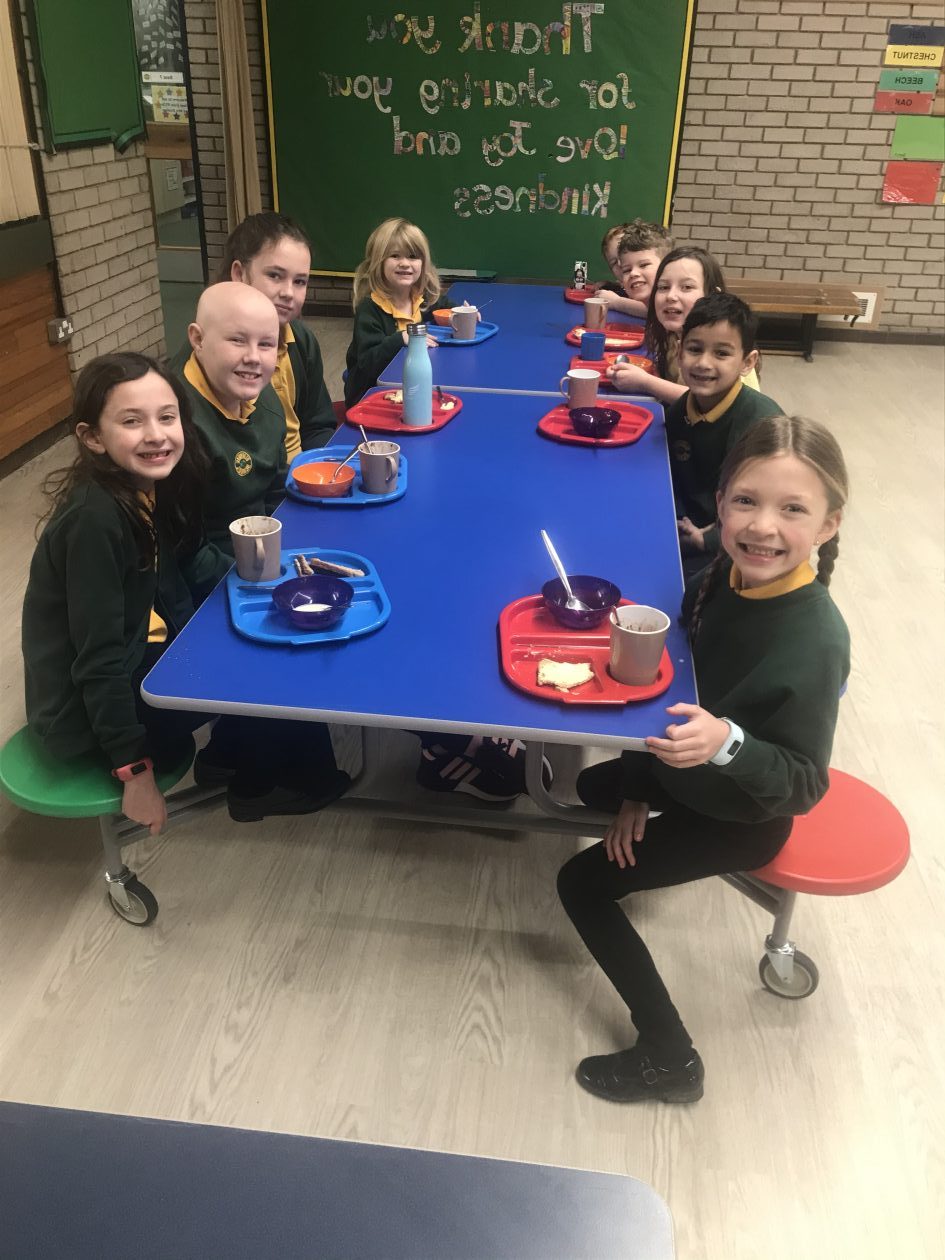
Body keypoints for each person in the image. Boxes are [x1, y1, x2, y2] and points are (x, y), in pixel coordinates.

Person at [557, 415, 850, 1104]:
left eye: (793, 509)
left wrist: (726, 743)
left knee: (579, 884)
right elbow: (668, 696)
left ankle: (670, 1058)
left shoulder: (815, 640)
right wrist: (637, 788)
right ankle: (643, 802)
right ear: (720, 504)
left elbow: (803, 784)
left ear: (828, 525)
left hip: (741, 816)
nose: (762, 526)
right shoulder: (719, 578)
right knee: (592, 786)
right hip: (684, 773)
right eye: (746, 501)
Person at [21, 353, 348, 832]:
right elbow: (98, 662)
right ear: (92, 437)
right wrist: (134, 771)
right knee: (269, 664)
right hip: (83, 718)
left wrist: (267, 586)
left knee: (262, 633)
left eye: (166, 417)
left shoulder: (159, 484)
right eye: (131, 421)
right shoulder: (94, 522)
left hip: (139, 658)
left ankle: (230, 754)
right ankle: (270, 785)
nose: (155, 434)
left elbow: (192, 559)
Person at [667, 293, 784, 576]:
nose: (704, 363)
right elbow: (672, 475)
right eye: (695, 349)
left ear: (747, 362)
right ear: (680, 352)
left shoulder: (761, 424)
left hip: (739, 545)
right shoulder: (681, 409)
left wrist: (709, 538)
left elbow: (769, 506)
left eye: (721, 353)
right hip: (688, 526)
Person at [176, 282, 287, 556]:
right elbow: (184, 549)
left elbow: (277, 489)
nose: (253, 358)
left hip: (262, 550)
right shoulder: (175, 422)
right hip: (214, 565)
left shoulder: (263, 395)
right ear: (198, 339)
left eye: (266, 344)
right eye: (237, 340)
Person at [219, 211, 337, 458]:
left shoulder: (301, 341)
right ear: (239, 274)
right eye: (275, 275)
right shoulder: (213, 355)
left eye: (300, 281)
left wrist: (321, 468)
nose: (288, 293)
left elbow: (318, 425)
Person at [609, 247, 726, 405]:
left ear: (713, 296)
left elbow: (707, 400)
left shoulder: (724, 346)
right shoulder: (672, 336)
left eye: (687, 287)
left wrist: (644, 382)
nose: (671, 296)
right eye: (664, 287)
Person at [344, 217, 440, 408]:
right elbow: (367, 364)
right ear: (378, 261)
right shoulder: (370, 309)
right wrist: (400, 339)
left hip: (410, 387)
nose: (404, 263)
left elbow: (443, 306)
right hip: (370, 397)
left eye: (412, 256)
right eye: (395, 256)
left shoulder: (422, 299)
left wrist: (455, 313)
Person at [596, 220, 675, 320]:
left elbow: (654, 312)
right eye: (627, 269)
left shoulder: (671, 294)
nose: (633, 273)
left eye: (643, 265)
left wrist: (617, 302)